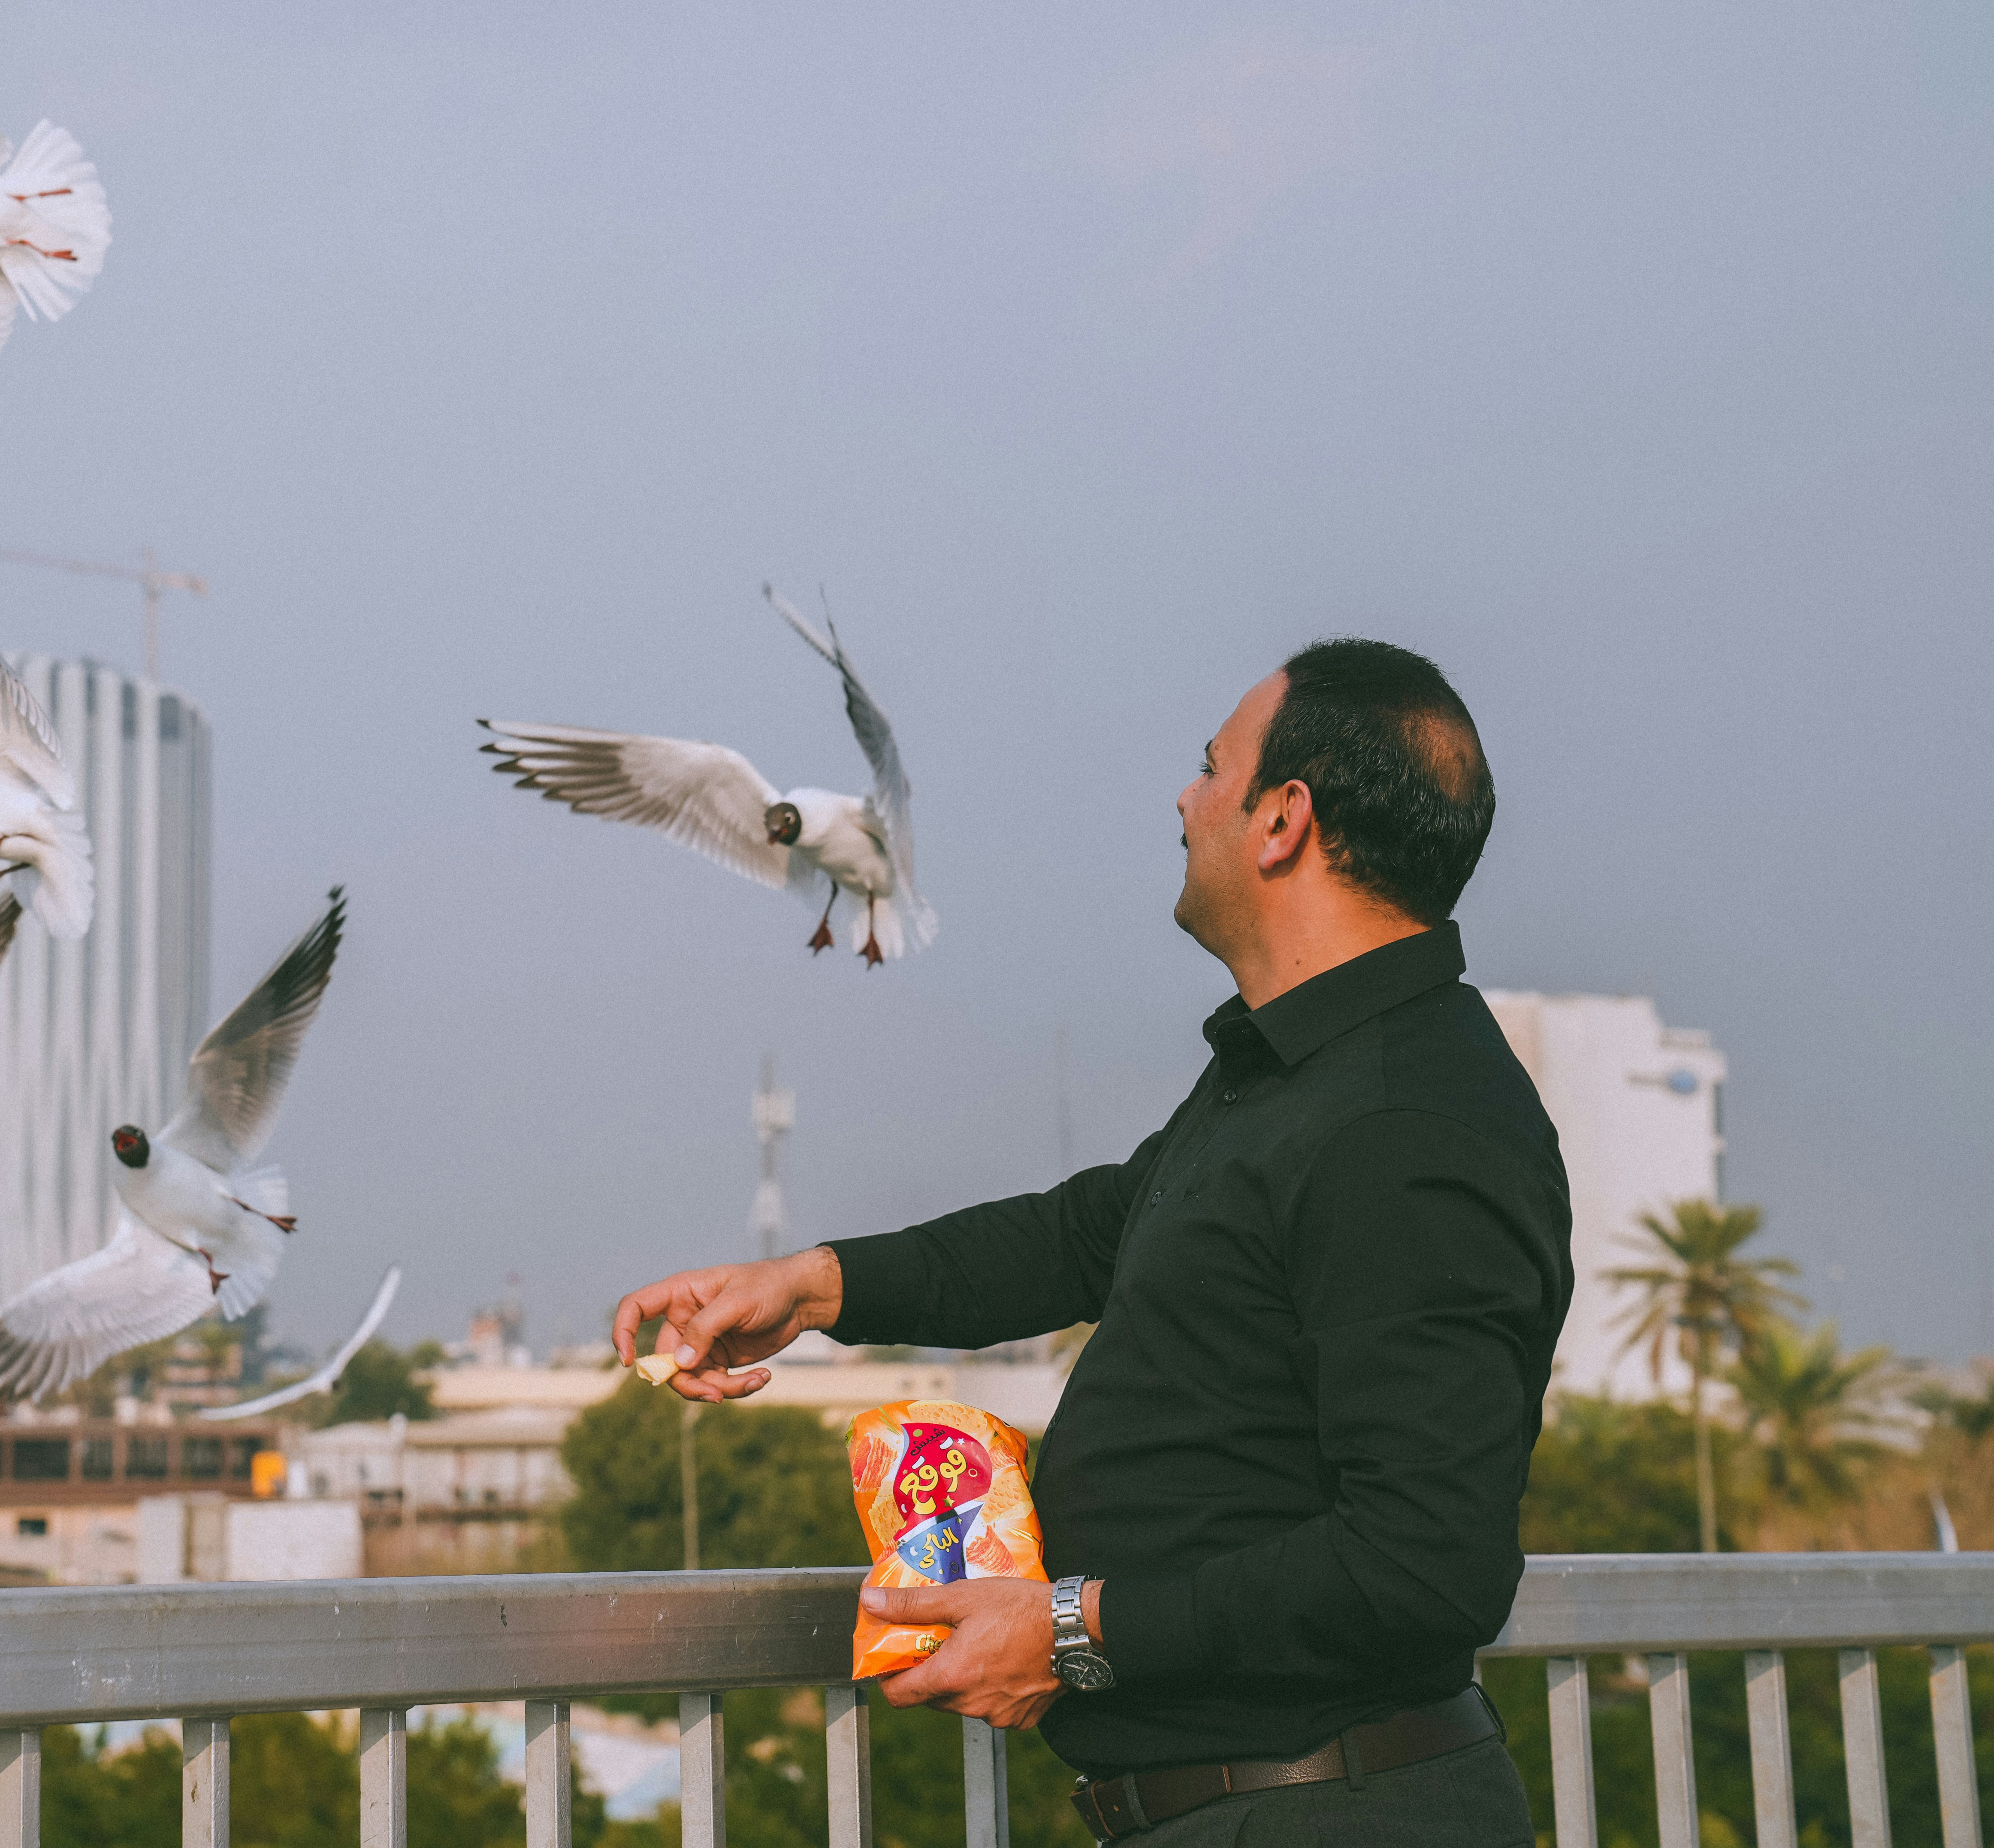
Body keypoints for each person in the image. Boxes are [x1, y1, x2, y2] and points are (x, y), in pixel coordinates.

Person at [614, 640, 1571, 1845]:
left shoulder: (1404, 1123)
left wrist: (1072, 1630)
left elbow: (1428, 1565)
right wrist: (816, 1287)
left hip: (1325, 1814)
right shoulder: (1297, 1081)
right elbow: (1086, 1236)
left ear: (1284, 819)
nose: (1185, 799)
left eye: (1211, 769)